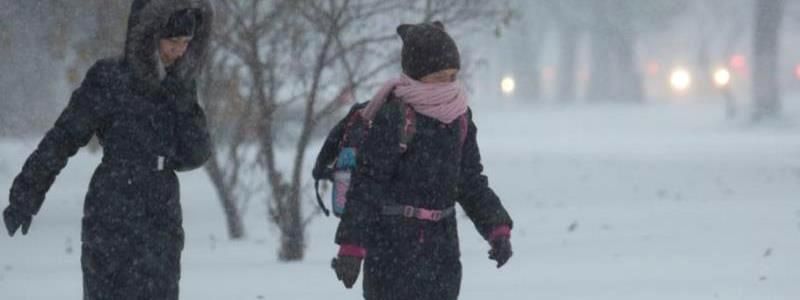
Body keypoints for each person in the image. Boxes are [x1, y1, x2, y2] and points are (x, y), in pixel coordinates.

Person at [2, 0, 213, 298]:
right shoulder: (109, 78)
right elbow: (63, 138)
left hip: (161, 212)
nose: (179, 51)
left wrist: (183, 101)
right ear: (150, 35)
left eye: (186, 43)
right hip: (111, 208)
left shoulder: (179, 84)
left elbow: (196, 154)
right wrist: (26, 193)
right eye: (173, 41)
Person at [331, 21, 514, 300]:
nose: (448, 84)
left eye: (453, 76)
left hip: (442, 254)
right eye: (439, 77)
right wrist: (352, 247)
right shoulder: (394, 117)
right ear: (417, 75)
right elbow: (367, 186)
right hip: (391, 253)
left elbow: (470, 182)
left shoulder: (460, 118)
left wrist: (497, 228)